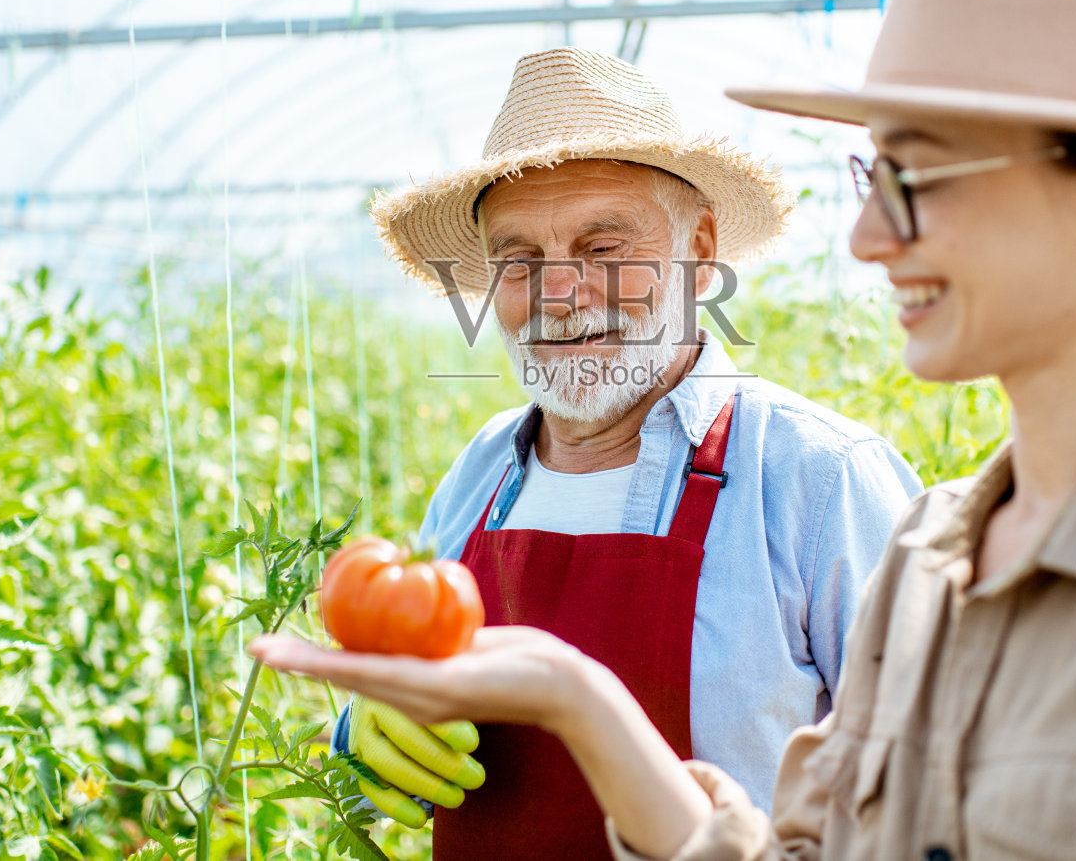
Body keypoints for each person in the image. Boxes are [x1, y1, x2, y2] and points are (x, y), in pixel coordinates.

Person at [256, 0, 1076, 859]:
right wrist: (535, 708)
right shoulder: (939, 563)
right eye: (871, 177)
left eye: (922, 178)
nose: (866, 241)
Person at [330, 47, 921, 859]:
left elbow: (927, 797)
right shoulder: (481, 473)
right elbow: (413, 690)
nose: (560, 294)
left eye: (604, 249)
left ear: (701, 249)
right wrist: (363, 723)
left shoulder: (817, 479)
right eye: (520, 261)